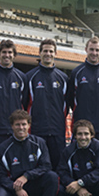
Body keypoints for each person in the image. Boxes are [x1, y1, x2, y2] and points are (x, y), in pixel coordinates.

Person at [0, 110, 58, 196]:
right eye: (17, 124)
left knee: (52, 177)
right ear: (12, 126)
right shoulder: (3, 148)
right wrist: (16, 187)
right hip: (13, 189)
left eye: (24, 124)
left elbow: (46, 166)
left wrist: (27, 176)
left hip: (34, 186)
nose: (21, 127)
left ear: (29, 125)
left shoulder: (39, 143)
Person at [66, 36, 99, 163]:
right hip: (81, 126)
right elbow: (71, 98)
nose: (94, 53)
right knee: (80, 160)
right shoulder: (77, 72)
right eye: (91, 49)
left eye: (97, 50)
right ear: (86, 50)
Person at [24, 39, 68, 180]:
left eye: (51, 51)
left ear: (55, 53)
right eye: (45, 51)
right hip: (37, 131)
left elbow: (67, 105)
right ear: (40, 53)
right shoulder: (29, 77)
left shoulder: (63, 78)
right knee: (35, 167)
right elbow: (24, 104)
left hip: (57, 131)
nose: (48, 54)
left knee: (57, 168)